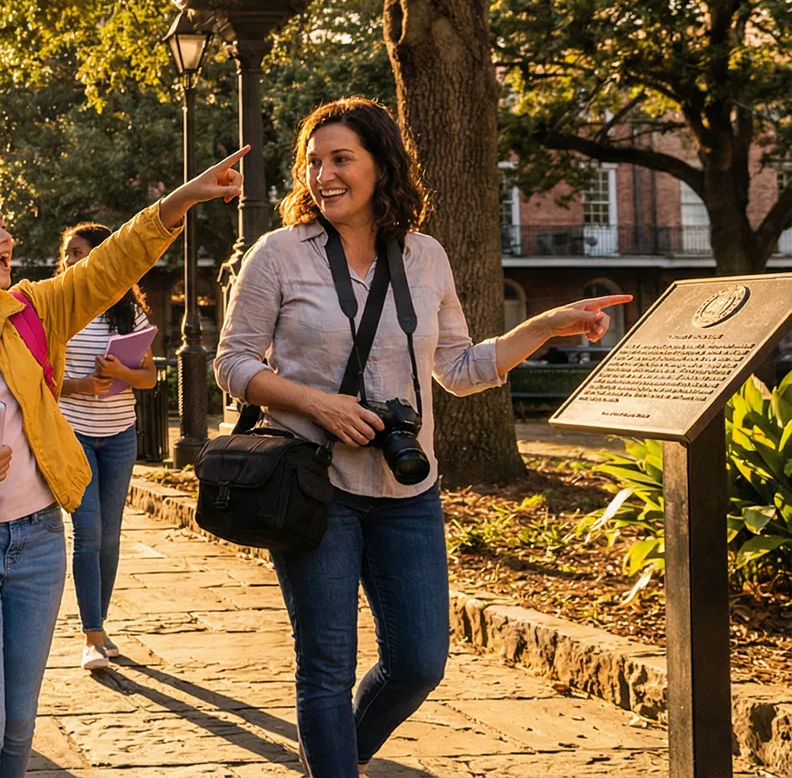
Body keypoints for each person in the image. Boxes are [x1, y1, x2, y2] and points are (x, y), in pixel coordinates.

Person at [213, 98, 630, 778]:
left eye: (341, 159)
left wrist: (544, 326)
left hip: (408, 489)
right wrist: (318, 402)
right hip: (315, 485)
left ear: (382, 165)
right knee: (326, 663)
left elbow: (461, 371)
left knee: (417, 663)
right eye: (313, 163)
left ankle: (331, 757)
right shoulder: (279, 254)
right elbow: (231, 364)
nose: (324, 176)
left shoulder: (426, 256)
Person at [0, 152, 247, 778]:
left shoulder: (35, 311)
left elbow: (110, 265)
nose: (4, 236)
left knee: (18, 732)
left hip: (40, 542)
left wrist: (179, 201)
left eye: (1, 224)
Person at [54, 223, 162, 672]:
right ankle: (91, 636)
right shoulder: (57, 309)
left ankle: (101, 625)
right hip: (74, 433)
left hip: (120, 435)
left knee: (111, 536)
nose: (71, 261)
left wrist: (122, 370)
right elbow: (36, 379)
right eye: (67, 254)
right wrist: (81, 384)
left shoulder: (127, 313)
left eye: (79, 252)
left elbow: (150, 377)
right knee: (89, 532)